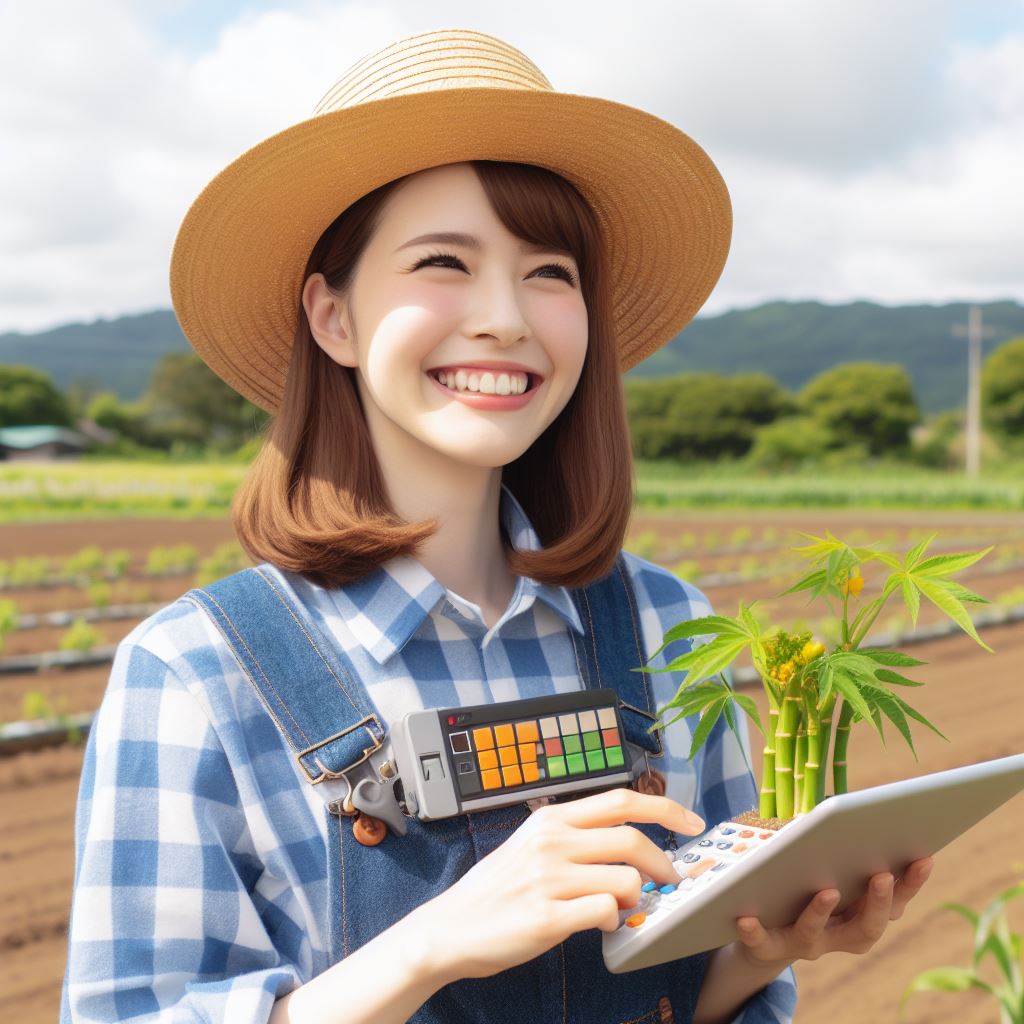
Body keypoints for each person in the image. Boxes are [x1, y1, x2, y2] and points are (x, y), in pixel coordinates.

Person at [60, 27, 933, 1024]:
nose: (505, 318)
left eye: (548, 272)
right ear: (332, 316)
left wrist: (752, 955)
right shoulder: (197, 674)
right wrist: (432, 942)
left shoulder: (662, 624)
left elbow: (691, 995)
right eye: (444, 262)